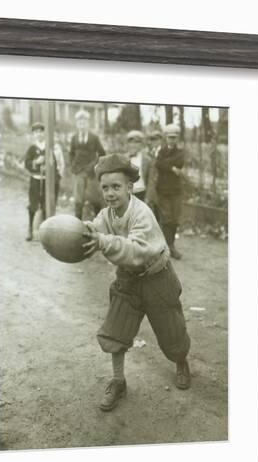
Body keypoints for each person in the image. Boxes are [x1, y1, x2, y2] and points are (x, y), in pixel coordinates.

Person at [83, 153, 191, 411]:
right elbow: (94, 229)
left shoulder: (142, 213)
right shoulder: (107, 214)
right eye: (105, 187)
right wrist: (79, 232)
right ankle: (118, 381)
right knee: (115, 329)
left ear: (130, 188)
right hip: (128, 279)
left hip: (157, 276)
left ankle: (180, 362)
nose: (110, 193)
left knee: (171, 331)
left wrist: (102, 242)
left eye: (116, 187)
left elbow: (135, 251)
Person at [23, 122, 59, 241]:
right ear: (34, 134)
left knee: (45, 205)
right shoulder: (32, 148)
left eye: (41, 131)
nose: (39, 134)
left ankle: (45, 232)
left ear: (44, 133)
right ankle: (30, 229)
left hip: (46, 182)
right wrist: (36, 162)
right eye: (36, 132)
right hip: (35, 180)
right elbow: (26, 164)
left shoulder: (49, 147)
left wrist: (48, 166)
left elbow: (54, 163)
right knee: (33, 204)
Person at [155, 124, 185, 259]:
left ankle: (170, 245)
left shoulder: (180, 152)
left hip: (175, 190)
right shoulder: (161, 151)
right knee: (166, 218)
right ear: (165, 138)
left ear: (177, 138)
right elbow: (158, 164)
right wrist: (172, 168)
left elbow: (179, 162)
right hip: (162, 189)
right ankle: (168, 247)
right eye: (169, 137)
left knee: (175, 219)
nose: (172, 140)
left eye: (174, 137)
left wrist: (166, 164)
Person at [69, 109, 106, 219]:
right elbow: (71, 153)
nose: (82, 125)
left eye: (84, 122)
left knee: (94, 198)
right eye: (80, 123)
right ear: (77, 124)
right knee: (78, 200)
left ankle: (98, 224)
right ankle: (77, 224)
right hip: (79, 172)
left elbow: (102, 153)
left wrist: (94, 165)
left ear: (88, 123)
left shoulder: (94, 138)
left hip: (91, 173)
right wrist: (73, 165)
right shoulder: (74, 138)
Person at [125, 130, 153, 203]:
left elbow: (151, 180)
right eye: (131, 142)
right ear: (128, 144)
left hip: (142, 193)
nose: (134, 145)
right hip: (127, 194)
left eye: (137, 142)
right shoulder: (123, 159)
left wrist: (148, 197)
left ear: (141, 144)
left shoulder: (147, 160)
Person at [145, 130, 163, 220]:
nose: (154, 142)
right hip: (152, 186)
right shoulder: (149, 154)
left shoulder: (164, 153)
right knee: (153, 210)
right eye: (152, 140)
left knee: (162, 211)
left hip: (162, 185)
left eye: (156, 139)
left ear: (160, 140)